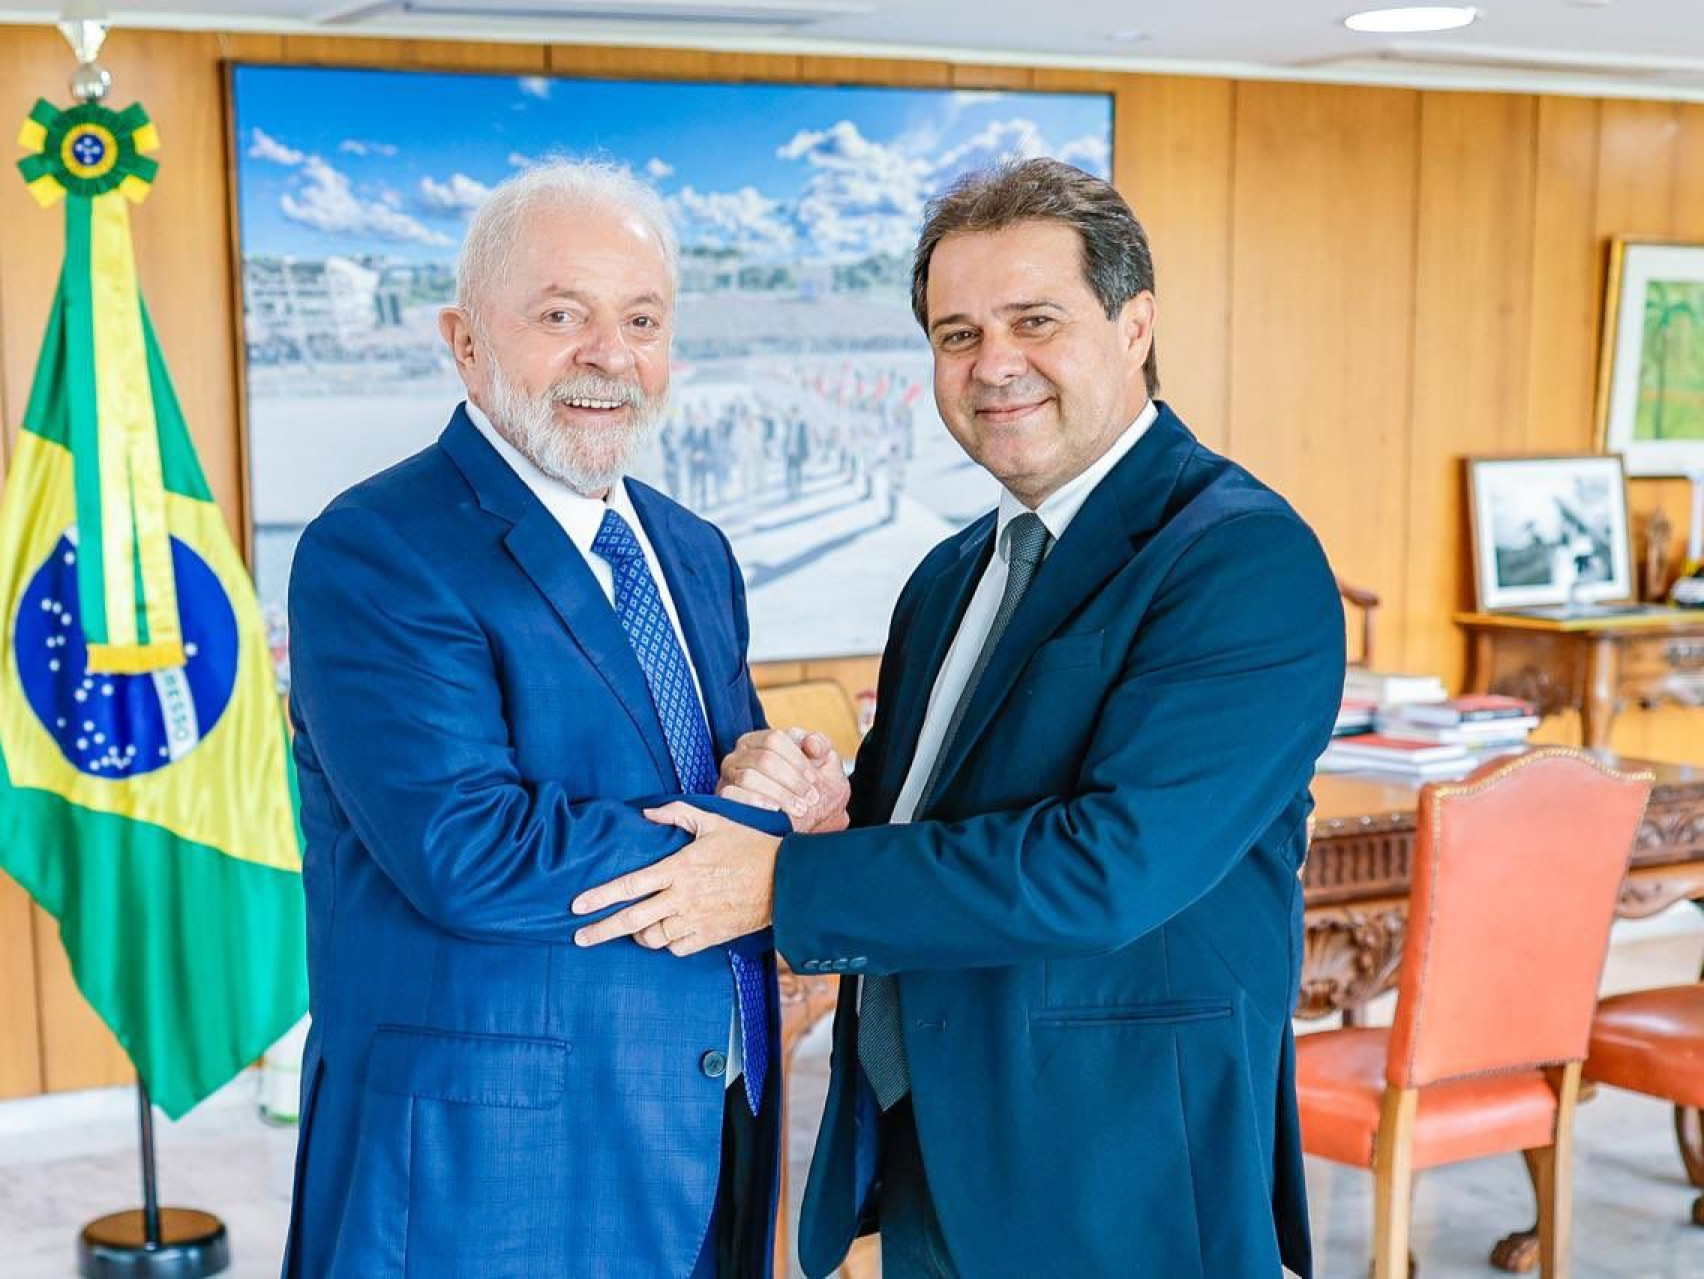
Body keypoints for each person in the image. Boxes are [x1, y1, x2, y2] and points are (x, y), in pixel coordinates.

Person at [573, 158, 1344, 1278]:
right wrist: (810, 806)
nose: (994, 365)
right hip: (925, 1143)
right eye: (955, 333)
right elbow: (913, 828)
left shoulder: (1240, 557)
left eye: (1034, 321)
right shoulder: (949, 575)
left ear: (1135, 326)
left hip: (1115, 1185)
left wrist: (779, 884)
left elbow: (1109, 869)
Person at [281, 159, 848, 1278]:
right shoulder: (378, 550)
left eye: (641, 319)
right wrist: (744, 831)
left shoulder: (690, 550)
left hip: (713, 1124)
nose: (609, 353)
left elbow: (724, 791)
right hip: (493, 1168)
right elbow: (468, 851)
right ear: (465, 340)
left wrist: (798, 792)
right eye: (561, 314)